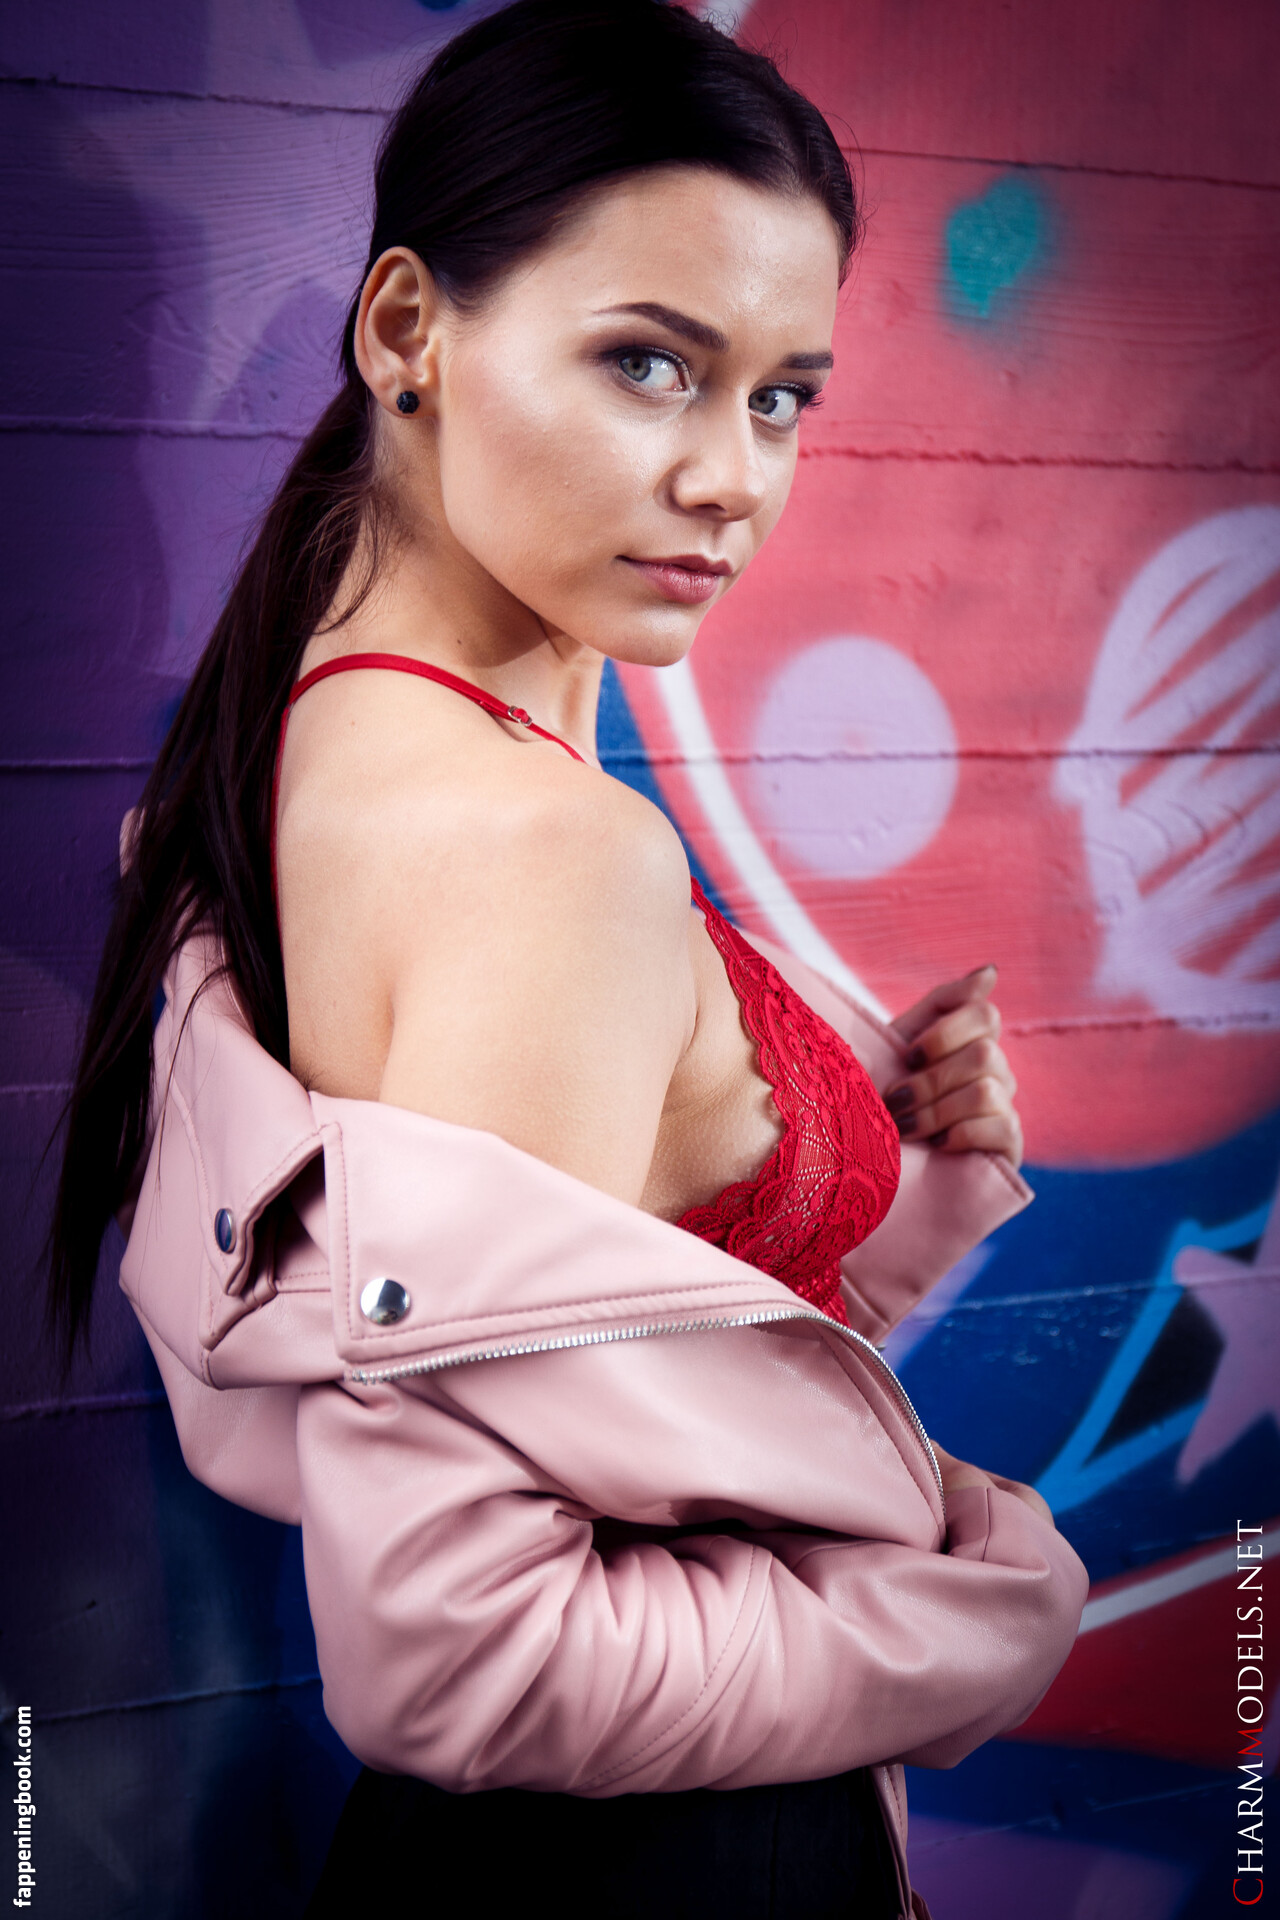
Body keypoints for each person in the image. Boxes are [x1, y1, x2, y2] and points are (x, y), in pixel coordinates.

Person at [49, 4, 1087, 1914]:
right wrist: (982, 1618)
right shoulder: (540, 850)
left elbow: (587, 1394)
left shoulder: (316, 730)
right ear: (405, 331)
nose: (732, 477)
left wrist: (866, 1160)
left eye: (779, 397)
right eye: (649, 366)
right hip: (655, 1862)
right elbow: (467, 1658)